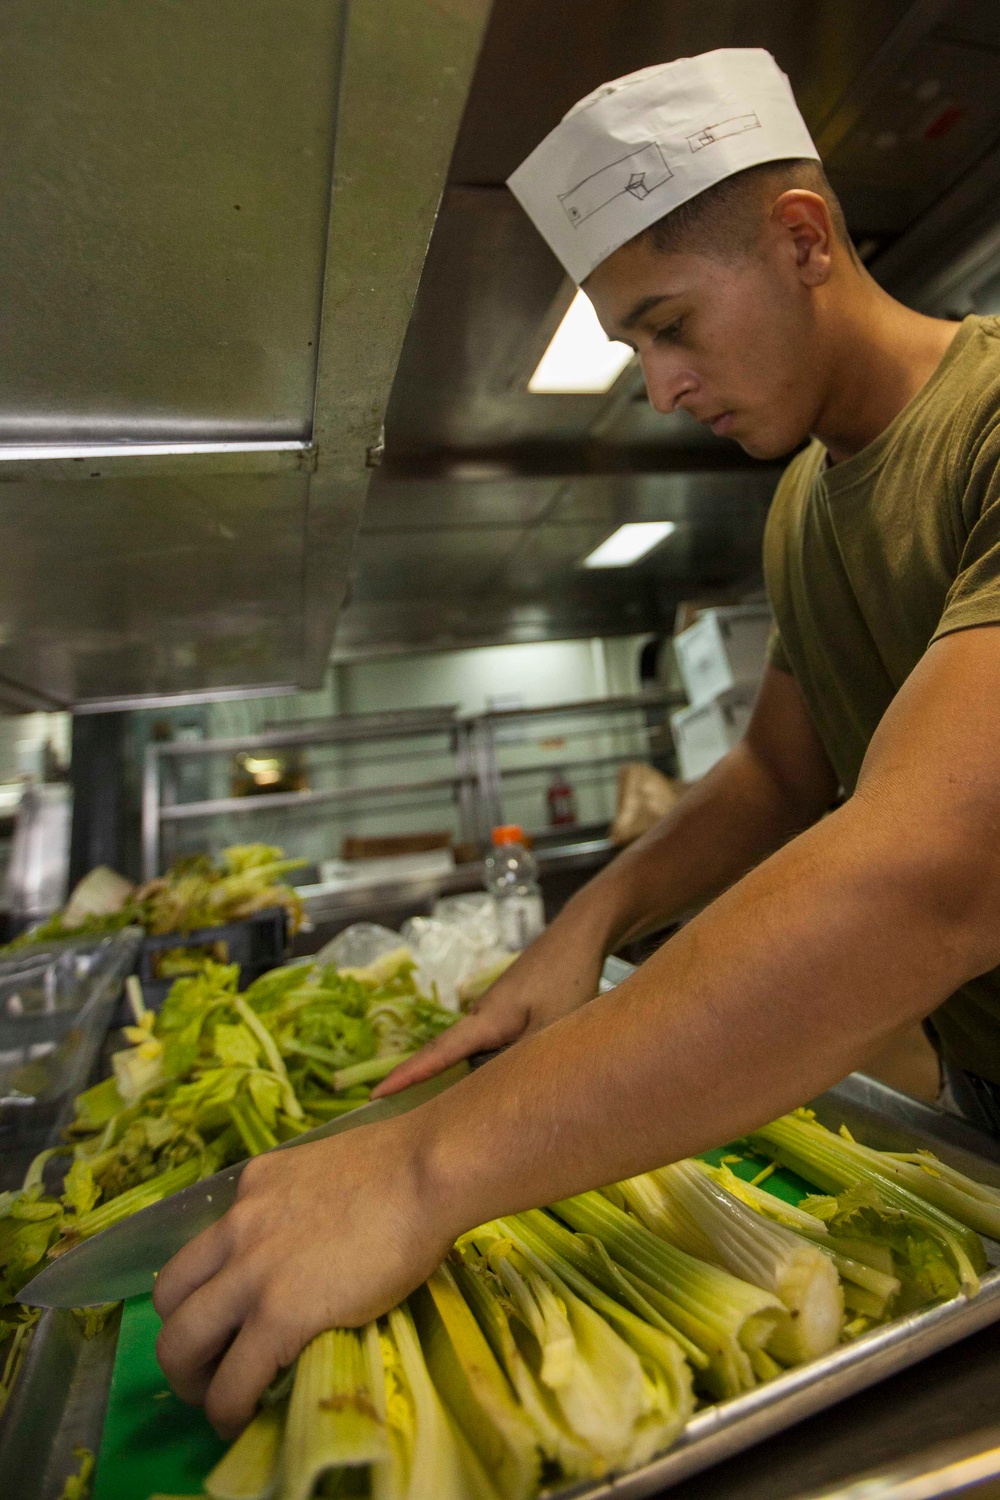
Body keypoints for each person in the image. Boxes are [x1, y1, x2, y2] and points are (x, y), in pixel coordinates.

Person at [154, 48, 1000, 1437]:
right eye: (632, 347)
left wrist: (421, 1174)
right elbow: (777, 775)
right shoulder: (804, 509)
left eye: (671, 325)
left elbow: (936, 870)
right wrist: (580, 930)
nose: (660, 387)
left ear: (802, 238)